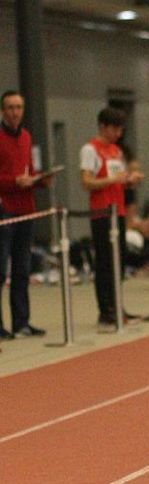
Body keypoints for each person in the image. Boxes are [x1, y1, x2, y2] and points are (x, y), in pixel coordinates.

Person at [80, 106, 144, 331]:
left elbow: (118, 178)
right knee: (105, 261)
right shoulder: (90, 149)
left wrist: (129, 180)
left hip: (119, 210)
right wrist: (111, 180)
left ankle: (117, 306)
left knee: (119, 260)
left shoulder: (116, 150)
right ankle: (105, 311)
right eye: (115, 129)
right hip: (102, 212)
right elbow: (86, 182)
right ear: (103, 127)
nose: (118, 134)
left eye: (120, 130)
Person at [0, 91, 53, 339]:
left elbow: (30, 170)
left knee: (22, 269)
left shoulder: (26, 137)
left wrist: (40, 180)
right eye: (10, 107)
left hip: (26, 210)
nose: (15, 112)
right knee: (1, 270)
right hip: (4, 210)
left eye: (19, 107)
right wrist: (14, 182)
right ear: (3, 111)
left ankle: (21, 322)